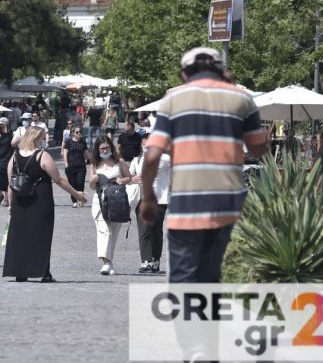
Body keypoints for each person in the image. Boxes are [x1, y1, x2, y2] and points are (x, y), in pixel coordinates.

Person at [138, 47, 268, 284]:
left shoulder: (173, 99)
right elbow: (259, 149)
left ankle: (189, 320)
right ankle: (209, 320)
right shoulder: (241, 98)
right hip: (228, 207)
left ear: (185, 74)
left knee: (184, 282)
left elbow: (152, 156)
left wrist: (147, 198)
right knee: (214, 279)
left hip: (187, 205)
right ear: (221, 70)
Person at [3, 127, 86, 282]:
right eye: (42, 138)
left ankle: (20, 272)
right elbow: (59, 180)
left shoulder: (14, 157)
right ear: (36, 138)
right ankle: (44, 272)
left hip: (20, 202)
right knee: (41, 236)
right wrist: (77, 195)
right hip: (40, 201)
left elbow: (11, 183)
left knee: (20, 237)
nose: (43, 140)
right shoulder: (42, 156)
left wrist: (10, 204)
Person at [89, 135, 132, 275]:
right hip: (100, 200)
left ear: (111, 148)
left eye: (107, 148)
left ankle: (109, 262)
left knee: (113, 232)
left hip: (117, 201)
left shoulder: (119, 162)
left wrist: (121, 180)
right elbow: (91, 186)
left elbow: (129, 177)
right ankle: (106, 263)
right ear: (97, 150)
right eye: (101, 149)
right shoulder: (95, 163)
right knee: (104, 230)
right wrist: (93, 180)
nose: (104, 151)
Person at [129, 143, 171, 273]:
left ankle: (156, 260)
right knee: (144, 230)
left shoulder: (166, 158)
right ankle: (146, 260)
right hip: (142, 198)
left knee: (156, 231)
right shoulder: (136, 159)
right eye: (144, 138)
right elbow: (128, 176)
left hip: (160, 199)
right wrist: (133, 178)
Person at [62, 125, 91, 208]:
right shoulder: (68, 142)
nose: (79, 133)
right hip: (71, 166)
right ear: (72, 133)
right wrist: (66, 165)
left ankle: (80, 200)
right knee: (72, 185)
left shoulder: (83, 141)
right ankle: (74, 201)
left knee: (80, 184)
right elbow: (65, 154)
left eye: (80, 132)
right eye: (77, 132)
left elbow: (87, 154)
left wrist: (93, 159)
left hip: (81, 166)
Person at [0, 117, 14, 206]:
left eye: (1, 123)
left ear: (5, 124)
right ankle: (0, 195)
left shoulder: (11, 133)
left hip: (8, 157)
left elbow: (13, 144)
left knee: (6, 178)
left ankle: (6, 198)